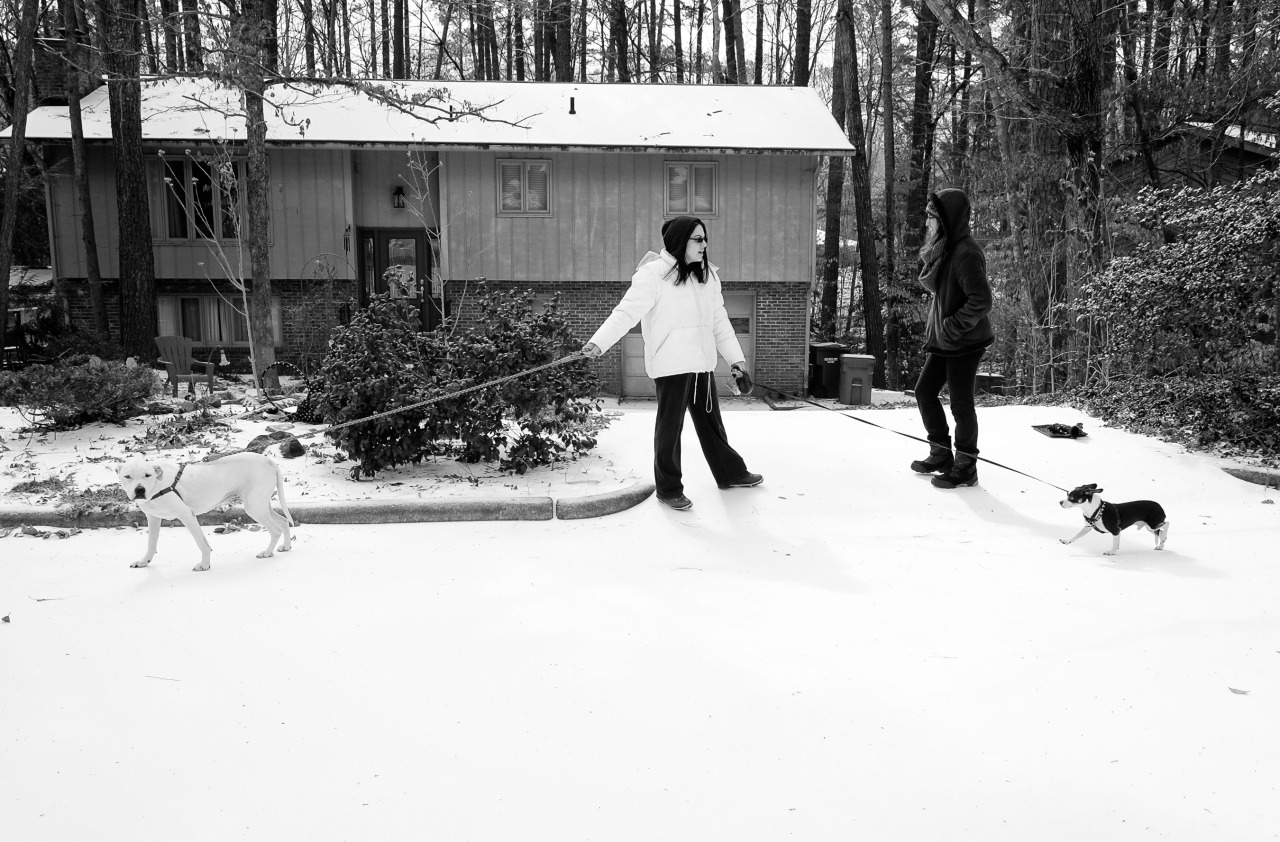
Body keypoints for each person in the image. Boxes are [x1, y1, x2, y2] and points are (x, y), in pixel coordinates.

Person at [580, 216, 762, 511]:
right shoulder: (652, 274)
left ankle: (731, 473)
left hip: (701, 365)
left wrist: (736, 360)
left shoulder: (708, 277)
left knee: (712, 424)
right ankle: (669, 488)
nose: (704, 245)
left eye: (705, 239)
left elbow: (720, 322)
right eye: (698, 239)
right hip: (671, 365)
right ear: (680, 241)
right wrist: (599, 342)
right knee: (670, 428)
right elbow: (626, 313)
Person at [910, 188, 994, 489]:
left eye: (932, 218)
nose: (928, 224)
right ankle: (942, 453)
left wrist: (953, 327)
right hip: (946, 341)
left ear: (948, 220)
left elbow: (982, 300)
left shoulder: (966, 252)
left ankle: (966, 466)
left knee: (961, 404)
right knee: (924, 392)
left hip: (964, 342)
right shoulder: (947, 248)